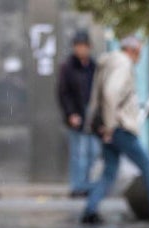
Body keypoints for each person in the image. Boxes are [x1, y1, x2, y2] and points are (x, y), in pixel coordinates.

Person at [81, 36, 149, 225]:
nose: (139, 57)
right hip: (119, 127)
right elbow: (110, 93)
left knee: (110, 170)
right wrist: (110, 126)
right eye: (139, 52)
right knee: (148, 164)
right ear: (132, 50)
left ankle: (90, 210)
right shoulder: (123, 64)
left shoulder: (109, 62)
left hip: (109, 127)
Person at [57, 31, 100, 198]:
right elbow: (63, 92)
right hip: (77, 113)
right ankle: (77, 186)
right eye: (78, 46)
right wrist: (70, 114)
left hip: (92, 115)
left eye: (83, 46)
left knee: (93, 152)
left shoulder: (94, 66)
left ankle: (88, 185)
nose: (81, 49)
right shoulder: (67, 67)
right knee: (78, 153)